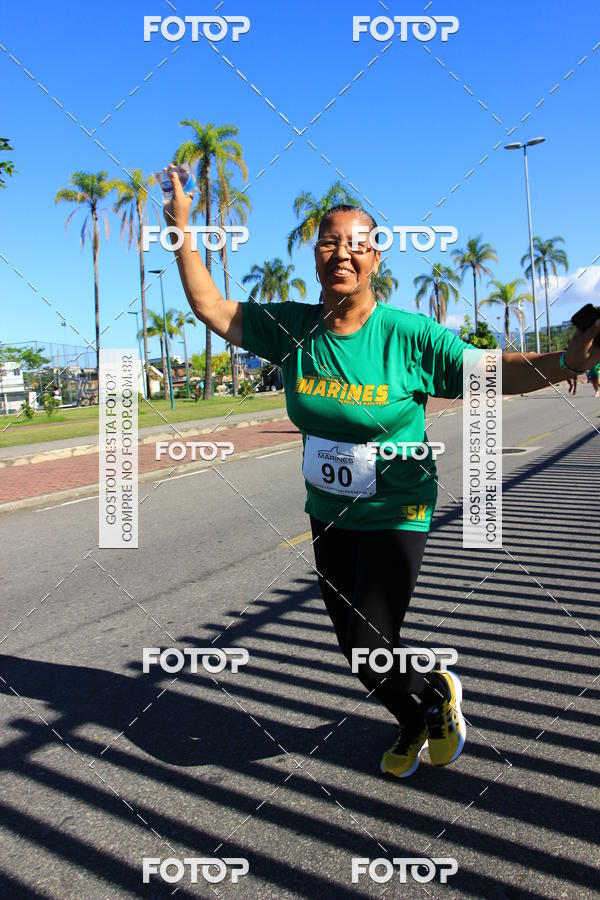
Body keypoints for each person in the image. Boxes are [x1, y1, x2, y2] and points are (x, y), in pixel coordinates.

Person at [164, 166, 600, 778]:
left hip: (397, 507)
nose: (342, 252)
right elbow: (210, 305)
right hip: (329, 512)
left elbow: (492, 370)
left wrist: (563, 360)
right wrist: (182, 229)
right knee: (357, 653)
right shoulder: (293, 329)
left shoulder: (408, 335)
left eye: (357, 243)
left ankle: (433, 696)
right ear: (315, 258)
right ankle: (415, 715)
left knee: (371, 645)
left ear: (375, 260)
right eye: (329, 242)